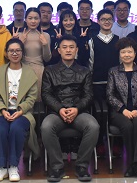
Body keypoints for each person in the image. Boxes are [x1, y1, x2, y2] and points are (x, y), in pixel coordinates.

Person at [0, 39, 40, 182]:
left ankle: (13, 166)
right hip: (0, 112)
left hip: (23, 113)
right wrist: (2, 110)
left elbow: (32, 97)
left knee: (16, 129)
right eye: (11, 51)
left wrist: (21, 110)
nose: (15, 53)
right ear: (6, 53)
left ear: (22, 53)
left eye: (18, 50)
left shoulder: (30, 73)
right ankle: (1, 167)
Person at [41, 35, 99, 183]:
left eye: (71, 47)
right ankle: (57, 167)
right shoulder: (49, 70)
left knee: (93, 126)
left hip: (79, 111)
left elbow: (89, 95)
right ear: (59, 50)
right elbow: (46, 94)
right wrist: (60, 109)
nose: (68, 50)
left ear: (77, 50)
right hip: (57, 112)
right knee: (46, 126)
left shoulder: (84, 71)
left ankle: (82, 166)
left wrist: (76, 109)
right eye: (65, 47)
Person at [106, 37, 137, 181]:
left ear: (135, 53)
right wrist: (123, 110)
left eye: (129, 52)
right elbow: (109, 95)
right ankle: (135, 165)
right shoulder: (113, 71)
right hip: (119, 112)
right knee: (127, 125)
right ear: (119, 54)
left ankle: (136, 164)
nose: (127, 55)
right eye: (123, 52)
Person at [20, 7, 52, 99]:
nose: (33, 21)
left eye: (36, 18)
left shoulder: (45, 35)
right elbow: (14, 57)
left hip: (39, 71)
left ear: (40, 19)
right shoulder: (19, 35)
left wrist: (45, 44)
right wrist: (20, 43)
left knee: (38, 99)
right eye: (30, 18)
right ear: (25, 19)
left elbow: (47, 59)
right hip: (22, 70)